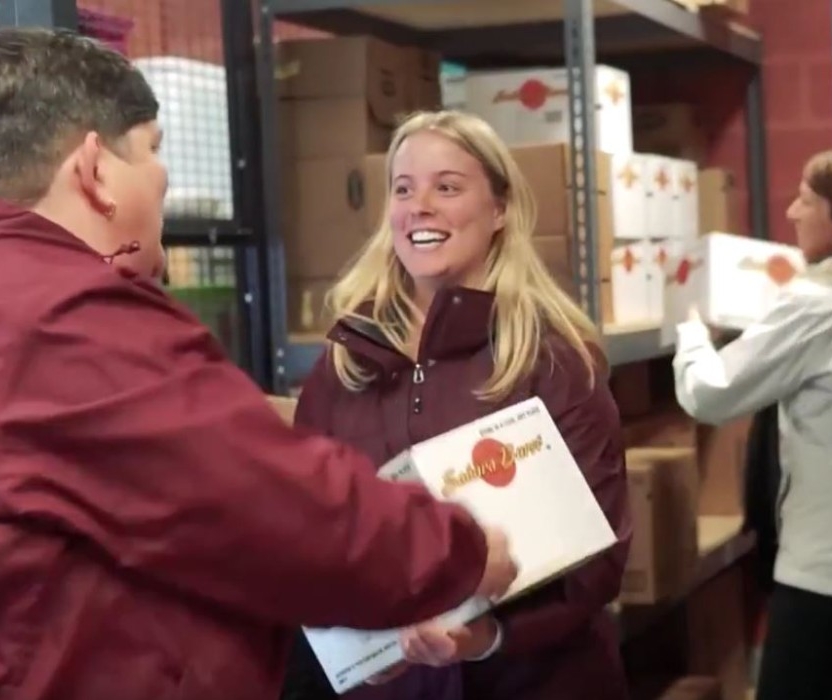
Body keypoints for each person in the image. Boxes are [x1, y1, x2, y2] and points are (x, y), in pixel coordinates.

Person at [0, 28, 517, 700]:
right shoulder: (67, 317)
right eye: (154, 153)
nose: (163, 180)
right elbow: (276, 503)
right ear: (95, 170)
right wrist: (458, 554)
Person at [281, 110, 632, 700]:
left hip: (539, 683)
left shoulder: (552, 360)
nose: (420, 205)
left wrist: (491, 635)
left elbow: (601, 552)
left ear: (499, 211)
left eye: (447, 186)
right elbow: (308, 535)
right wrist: (363, 650)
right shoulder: (342, 368)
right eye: (403, 188)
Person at [673, 151, 832, 700]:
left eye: (807, 198)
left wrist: (691, 330)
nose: (793, 211)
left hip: (821, 573)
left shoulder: (817, 303)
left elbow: (710, 393)